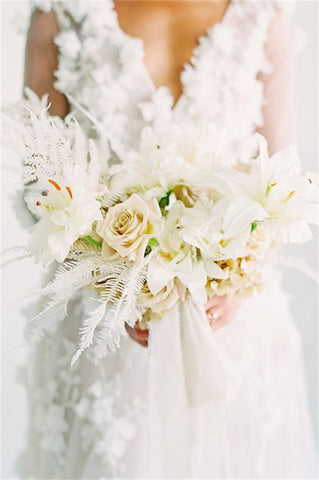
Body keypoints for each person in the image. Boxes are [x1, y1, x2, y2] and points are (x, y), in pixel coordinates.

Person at [17, 1, 316, 478]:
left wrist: (235, 280)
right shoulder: (61, 14)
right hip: (103, 331)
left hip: (232, 332)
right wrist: (108, 271)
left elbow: (281, 186)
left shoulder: (261, 17)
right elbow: (37, 188)